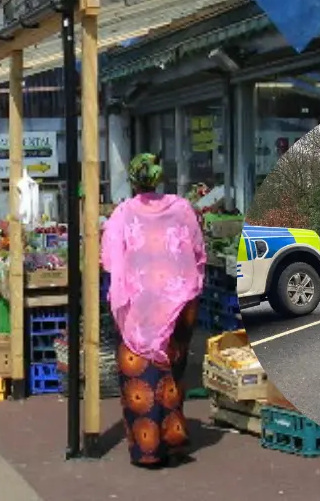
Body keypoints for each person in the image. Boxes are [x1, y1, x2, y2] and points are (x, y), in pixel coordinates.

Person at [101, 153, 205, 469]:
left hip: (140, 310)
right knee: (172, 371)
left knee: (140, 375)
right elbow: (199, 251)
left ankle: (149, 450)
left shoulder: (122, 215)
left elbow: (109, 260)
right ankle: (173, 442)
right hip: (179, 304)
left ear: (133, 181)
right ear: (159, 178)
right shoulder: (183, 209)